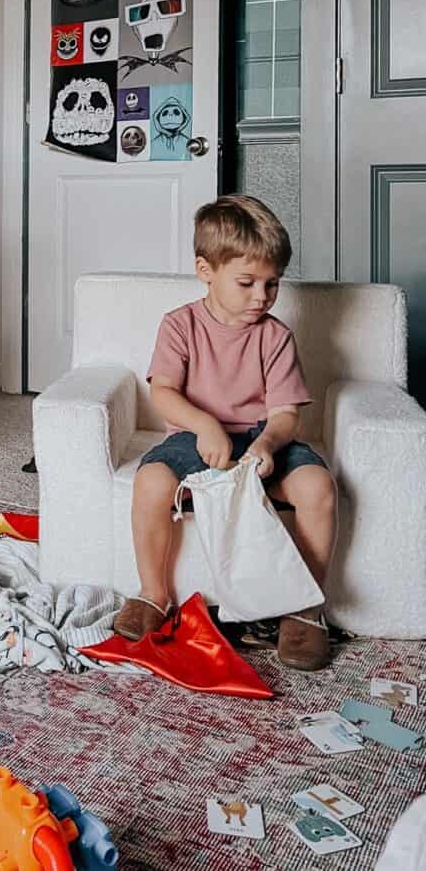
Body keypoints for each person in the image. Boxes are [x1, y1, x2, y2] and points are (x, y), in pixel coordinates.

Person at [114, 194, 337, 670]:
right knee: (151, 482)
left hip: (260, 438)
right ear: (205, 270)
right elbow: (165, 393)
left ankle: (306, 608)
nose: (262, 296)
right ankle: (154, 594)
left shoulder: (275, 336)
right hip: (196, 436)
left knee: (318, 487)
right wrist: (204, 425)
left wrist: (267, 444)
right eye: (247, 282)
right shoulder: (180, 325)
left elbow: (285, 414)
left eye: (272, 284)